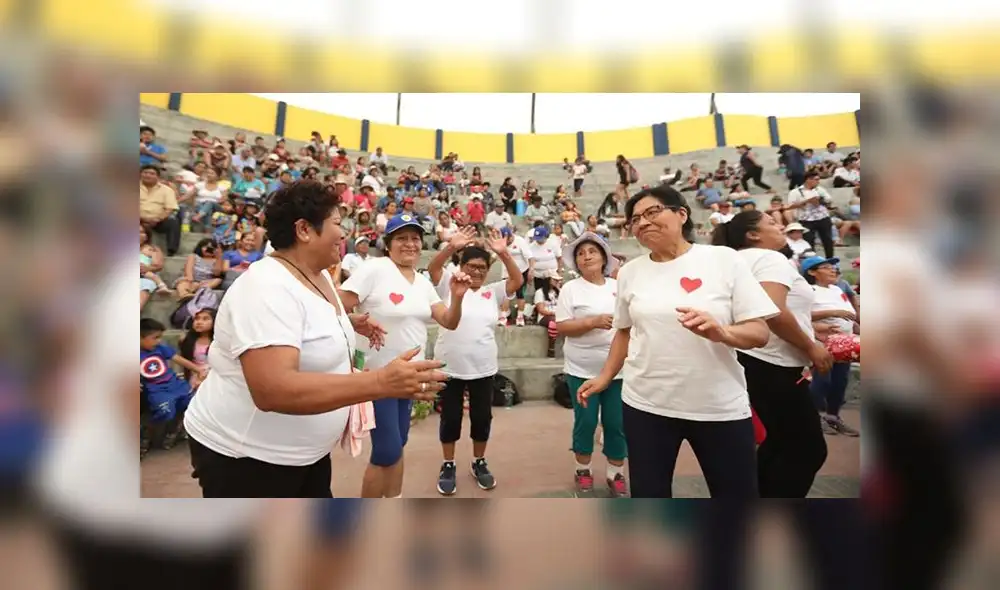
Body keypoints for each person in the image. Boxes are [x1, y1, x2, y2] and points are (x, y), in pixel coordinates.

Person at [183, 181, 447, 497]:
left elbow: (302, 323)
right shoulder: (265, 287)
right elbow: (273, 390)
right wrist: (381, 383)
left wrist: (348, 324)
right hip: (249, 460)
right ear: (305, 230)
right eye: (337, 224)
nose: (344, 233)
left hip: (303, 456)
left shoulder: (316, 274)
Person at [577, 186, 778, 499]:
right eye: (634, 219)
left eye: (652, 212)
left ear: (682, 214)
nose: (642, 223)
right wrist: (604, 378)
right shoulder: (630, 271)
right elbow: (624, 331)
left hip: (717, 406)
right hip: (646, 404)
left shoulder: (724, 260)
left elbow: (759, 332)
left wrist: (722, 332)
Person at [340, 213, 472, 498]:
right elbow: (339, 304)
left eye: (414, 238)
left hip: (411, 379)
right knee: (386, 451)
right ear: (388, 245)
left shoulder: (423, 282)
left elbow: (448, 321)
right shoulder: (375, 268)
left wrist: (458, 296)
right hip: (379, 377)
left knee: (399, 443)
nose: (410, 244)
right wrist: (355, 322)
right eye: (401, 238)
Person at [712, 211, 832, 497]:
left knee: (779, 442)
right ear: (753, 234)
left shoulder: (735, 261)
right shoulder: (769, 259)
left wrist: (809, 328)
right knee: (808, 450)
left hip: (753, 360)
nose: (781, 228)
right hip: (773, 363)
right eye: (772, 223)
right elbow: (772, 310)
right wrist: (810, 345)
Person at [427, 227, 523, 495]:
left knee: (482, 418)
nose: (477, 272)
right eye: (471, 266)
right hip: (449, 367)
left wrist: (504, 254)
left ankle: (479, 461)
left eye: (482, 267)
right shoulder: (448, 282)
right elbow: (433, 267)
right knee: (450, 417)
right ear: (461, 265)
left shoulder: (492, 292)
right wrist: (450, 246)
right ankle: (448, 464)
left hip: (483, 367)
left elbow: (517, 281)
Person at [555, 232, 628, 497]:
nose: (586, 257)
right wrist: (592, 322)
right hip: (581, 370)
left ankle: (615, 473)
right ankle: (582, 470)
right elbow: (562, 326)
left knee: (616, 422)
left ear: (604, 257)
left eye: (592, 252)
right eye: (581, 254)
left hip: (619, 370)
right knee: (585, 421)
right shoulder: (570, 289)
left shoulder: (617, 286)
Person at [801, 255, 860, 437]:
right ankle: (814, 417)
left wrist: (856, 326)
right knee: (822, 380)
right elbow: (801, 315)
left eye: (833, 267)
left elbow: (848, 313)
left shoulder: (836, 289)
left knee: (840, 381)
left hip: (845, 342)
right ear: (812, 272)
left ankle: (833, 417)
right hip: (823, 342)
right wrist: (833, 312)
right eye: (826, 267)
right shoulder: (807, 290)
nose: (833, 270)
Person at [783, 171, 835, 258]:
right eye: (816, 179)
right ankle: (813, 262)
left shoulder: (820, 189)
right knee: (809, 241)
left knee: (828, 240)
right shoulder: (795, 192)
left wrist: (821, 200)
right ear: (808, 180)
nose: (818, 181)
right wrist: (806, 201)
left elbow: (829, 200)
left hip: (823, 218)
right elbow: (789, 206)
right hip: (806, 220)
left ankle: (831, 260)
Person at [498, 226, 536, 327]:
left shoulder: (520, 241)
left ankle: (520, 317)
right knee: (505, 294)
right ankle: (503, 316)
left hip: (522, 271)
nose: (508, 240)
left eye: (509, 237)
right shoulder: (501, 243)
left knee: (520, 294)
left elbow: (530, 257)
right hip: (507, 272)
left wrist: (531, 270)